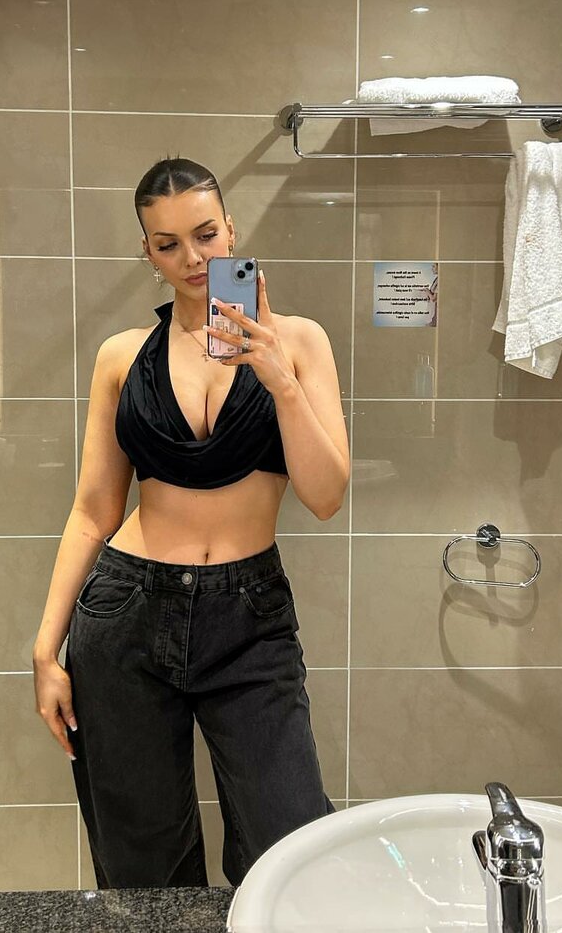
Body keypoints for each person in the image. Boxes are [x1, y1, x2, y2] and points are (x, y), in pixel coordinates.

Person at [32, 157, 350, 889]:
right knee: (143, 861)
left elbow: (326, 495)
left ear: (231, 230)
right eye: (168, 243)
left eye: (206, 235)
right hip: (127, 612)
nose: (194, 258)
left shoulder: (300, 342)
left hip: (250, 618)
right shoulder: (121, 358)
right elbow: (93, 511)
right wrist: (45, 650)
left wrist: (278, 377)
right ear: (147, 251)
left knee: (288, 844)